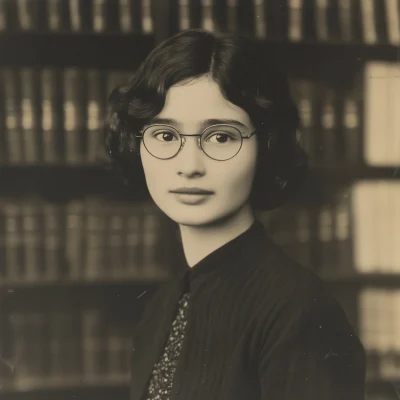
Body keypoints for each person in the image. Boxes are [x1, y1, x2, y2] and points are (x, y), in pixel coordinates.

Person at [105, 29, 366, 400]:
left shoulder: (298, 312)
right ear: (139, 145)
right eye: (165, 135)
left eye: (221, 136)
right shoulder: (161, 309)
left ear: (266, 147)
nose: (189, 166)